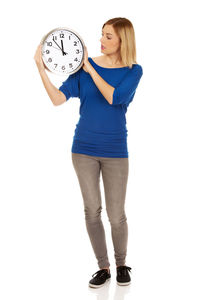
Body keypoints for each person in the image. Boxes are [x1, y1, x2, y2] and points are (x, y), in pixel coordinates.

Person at [34, 17, 143, 288]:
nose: (101, 41)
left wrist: (91, 69)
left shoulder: (134, 70)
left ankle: (121, 264)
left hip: (116, 151)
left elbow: (114, 97)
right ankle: (103, 267)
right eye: (102, 35)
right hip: (83, 150)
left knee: (116, 214)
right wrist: (40, 68)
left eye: (108, 37)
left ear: (122, 41)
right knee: (92, 211)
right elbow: (58, 99)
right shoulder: (84, 67)